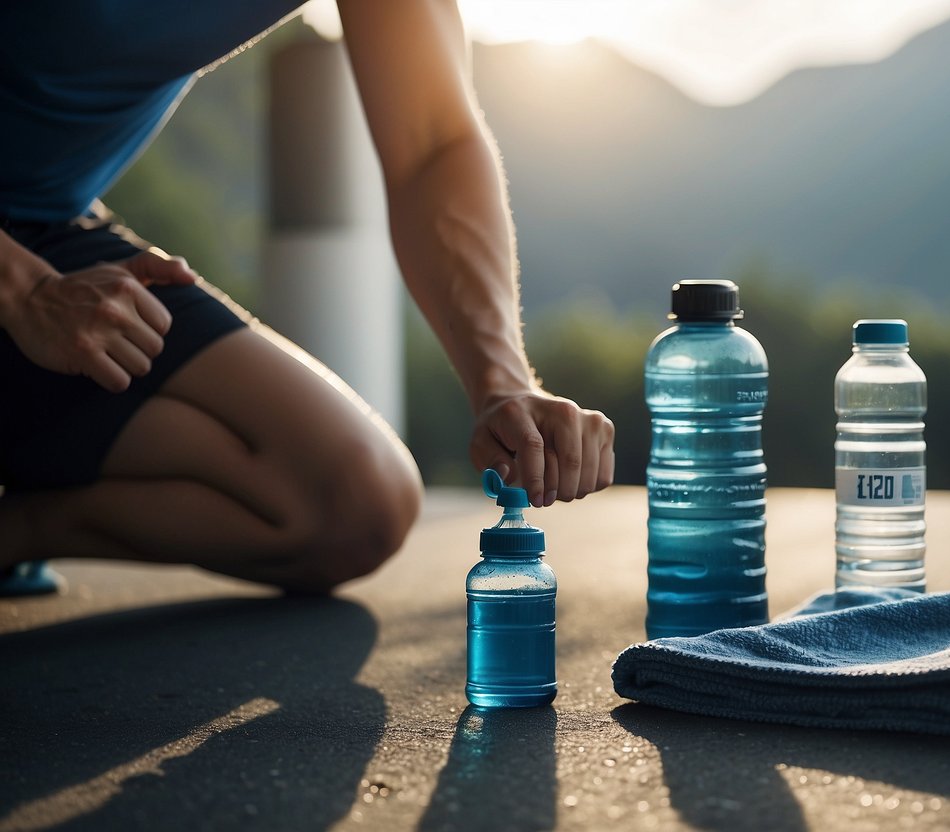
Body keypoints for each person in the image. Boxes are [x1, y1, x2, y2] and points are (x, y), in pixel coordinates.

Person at [0, 0, 615, 592]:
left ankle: (15, 530)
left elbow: (431, 144)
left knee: (356, 502)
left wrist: (501, 381)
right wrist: (24, 291)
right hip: (18, 268)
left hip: (50, 228)